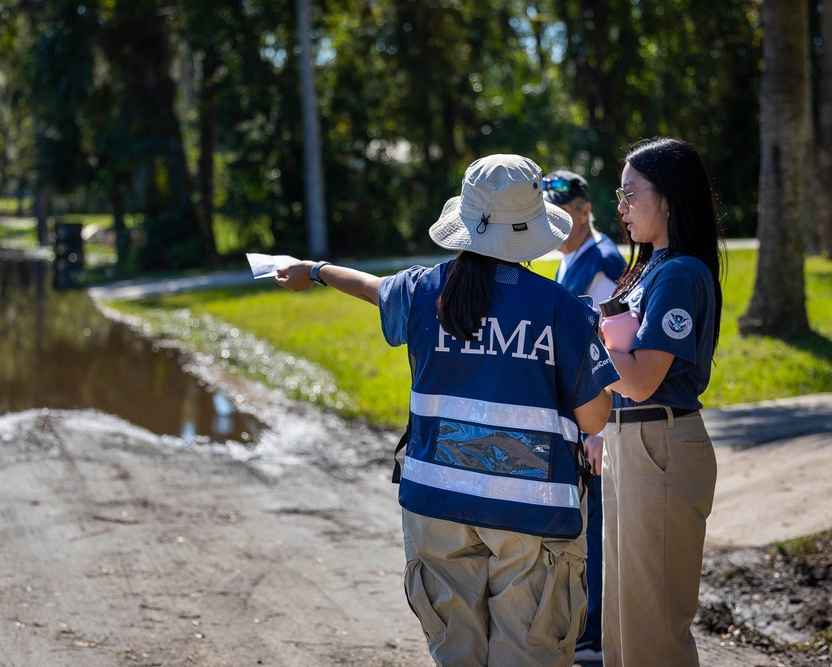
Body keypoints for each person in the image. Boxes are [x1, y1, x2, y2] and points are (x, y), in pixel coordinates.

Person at [274, 154, 620, 666]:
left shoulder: (423, 290)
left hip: (434, 505)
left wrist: (315, 271)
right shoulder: (562, 310)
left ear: (467, 221)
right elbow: (594, 419)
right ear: (533, 226)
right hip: (532, 512)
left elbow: (371, 289)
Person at [599, 138, 725, 667]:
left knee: (653, 631)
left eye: (631, 194)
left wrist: (579, 337)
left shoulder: (678, 273)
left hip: (660, 442)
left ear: (669, 196)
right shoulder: (653, 266)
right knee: (622, 620)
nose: (622, 208)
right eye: (619, 196)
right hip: (631, 441)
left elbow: (642, 380)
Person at [542, 169, 626, 665]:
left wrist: (601, 430)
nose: (556, 220)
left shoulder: (602, 263)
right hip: (578, 418)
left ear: (583, 208)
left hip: (595, 420)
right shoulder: (571, 256)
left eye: (564, 210)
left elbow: (612, 348)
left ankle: (593, 634)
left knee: (596, 529)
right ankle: (587, 628)